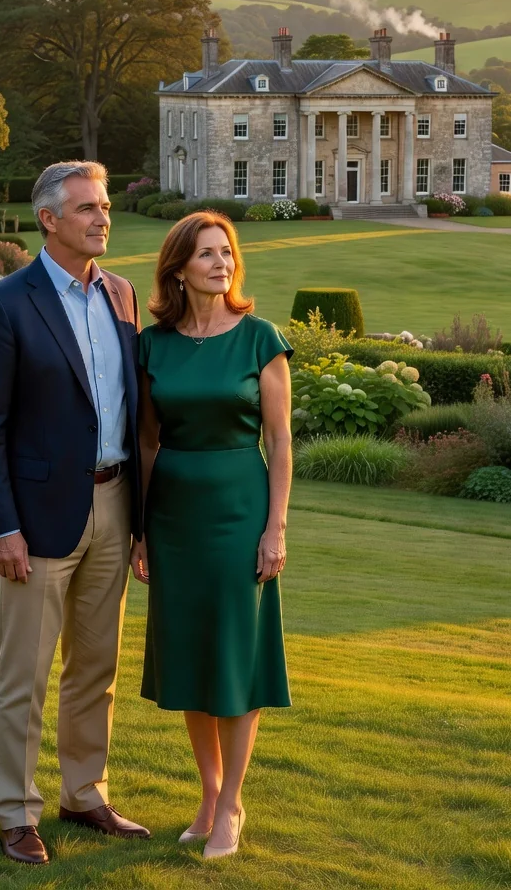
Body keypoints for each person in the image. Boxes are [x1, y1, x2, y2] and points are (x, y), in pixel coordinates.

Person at [0, 161, 150, 866]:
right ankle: (16, 812)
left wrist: (140, 522)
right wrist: (1, 525)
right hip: (36, 520)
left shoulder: (123, 296)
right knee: (23, 676)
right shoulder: (5, 304)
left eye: (104, 207)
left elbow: (134, 413)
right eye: (87, 209)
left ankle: (85, 794)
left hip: (114, 502)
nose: (103, 218)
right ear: (49, 219)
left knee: (95, 670)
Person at [130, 211, 293, 861]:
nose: (222, 262)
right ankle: (207, 792)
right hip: (173, 516)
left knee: (235, 657)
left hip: (239, 512)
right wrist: (141, 530)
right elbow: (146, 440)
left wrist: (274, 528)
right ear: (178, 268)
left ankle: (232, 808)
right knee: (193, 657)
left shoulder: (260, 338)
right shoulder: (153, 345)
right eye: (207, 254)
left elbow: (280, 441)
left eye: (227, 252)